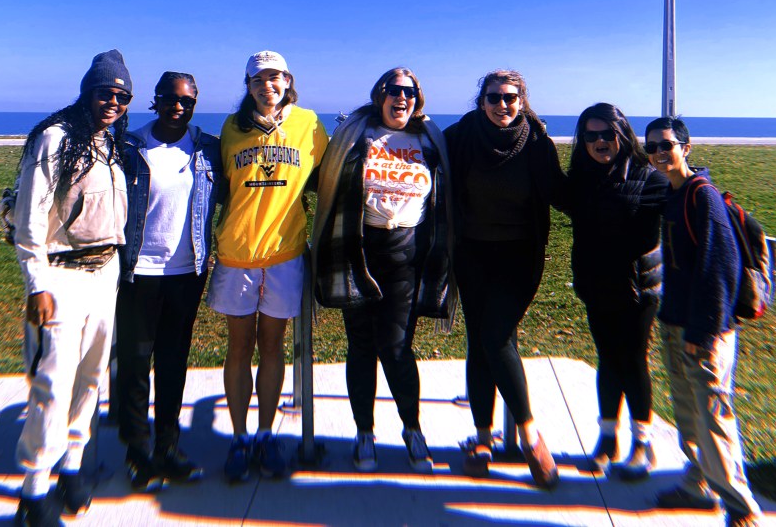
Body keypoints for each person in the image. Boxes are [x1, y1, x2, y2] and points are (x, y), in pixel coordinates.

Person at [311, 67, 454, 473]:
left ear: (418, 98)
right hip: (354, 250)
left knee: (394, 347)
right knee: (360, 347)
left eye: (409, 92)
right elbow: (322, 178)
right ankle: (364, 433)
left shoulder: (430, 140)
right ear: (380, 95)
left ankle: (412, 429)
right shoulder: (354, 133)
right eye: (394, 90)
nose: (402, 98)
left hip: (405, 256)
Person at [11, 50, 132, 527]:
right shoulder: (55, 139)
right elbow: (30, 220)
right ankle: (34, 488)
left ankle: (73, 467)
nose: (114, 101)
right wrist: (37, 283)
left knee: (91, 377)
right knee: (52, 385)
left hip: (105, 275)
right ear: (88, 91)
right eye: (106, 91)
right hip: (60, 276)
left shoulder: (108, 143)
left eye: (123, 96)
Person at [444, 69, 568, 489]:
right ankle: (482, 439)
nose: (502, 105)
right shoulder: (462, 136)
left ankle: (531, 438)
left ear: (522, 101)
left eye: (510, 98)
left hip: (518, 257)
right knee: (479, 342)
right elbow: (424, 159)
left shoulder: (535, 143)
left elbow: (561, 194)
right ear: (481, 101)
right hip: (472, 254)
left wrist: (627, 191)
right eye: (494, 98)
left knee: (496, 337)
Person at [209, 51, 328, 481]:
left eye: (274, 78)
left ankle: (264, 434)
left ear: (288, 80)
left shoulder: (310, 124)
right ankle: (239, 439)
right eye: (258, 80)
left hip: (285, 252)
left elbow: (331, 172)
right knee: (239, 347)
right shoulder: (231, 127)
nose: (267, 86)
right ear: (248, 85)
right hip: (237, 252)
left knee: (273, 344)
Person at [644, 116, 764, 527]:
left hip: (704, 332)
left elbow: (721, 269)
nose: (660, 153)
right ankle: (698, 486)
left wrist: (703, 332)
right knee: (690, 417)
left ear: (686, 147)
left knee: (713, 418)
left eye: (667, 144)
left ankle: (742, 508)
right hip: (676, 324)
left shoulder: (702, 196)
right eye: (653, 147)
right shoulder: (673, 194)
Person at [116, 71, 223, 490]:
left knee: (174, 363)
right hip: (138, 272)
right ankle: (137, 454)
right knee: (136, 362)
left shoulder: (207, 148)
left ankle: (168, 448)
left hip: (186, 272)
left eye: (188, 102)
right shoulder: (130, 146)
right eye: (171, 99)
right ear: (155, 100)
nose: (179, 107)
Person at [568, 103, 667, 480]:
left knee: (632, 360)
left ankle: (643, 443)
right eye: (590, 136)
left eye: (606, 133)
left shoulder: (648, 177)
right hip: (596, 285)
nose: (599, 142)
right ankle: (607, 439)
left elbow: (654, 224)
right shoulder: (582, 178)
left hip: (636, 289)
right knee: (607, 359)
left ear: (622, 134)